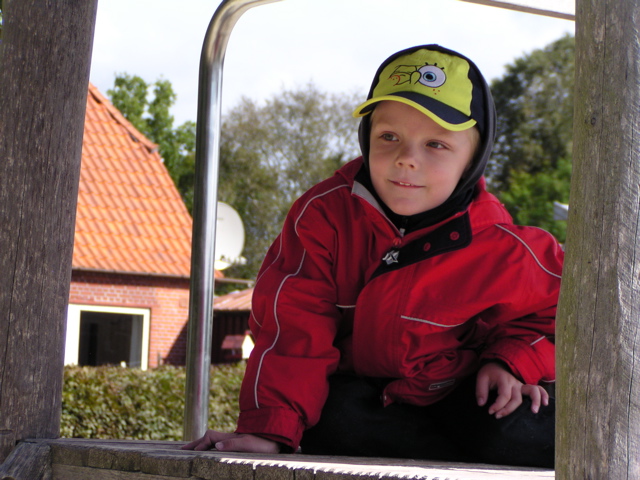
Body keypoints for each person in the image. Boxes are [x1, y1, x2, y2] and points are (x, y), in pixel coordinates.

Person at [183, 44, 563, 468]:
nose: (406, 159)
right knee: (333, 420)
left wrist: (512, 363)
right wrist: (268, 430)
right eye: (389, 137)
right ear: (366, 137)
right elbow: (292, 325)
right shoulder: (325, 218)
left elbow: (563, 318)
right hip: (367, 397)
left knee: (517, 427)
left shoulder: (504, 246)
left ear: (473, 160)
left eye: (436, 144)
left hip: (462, 389)